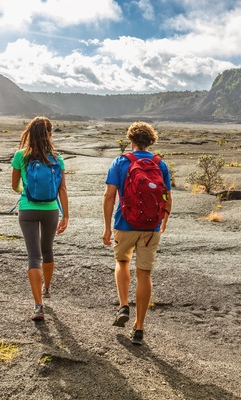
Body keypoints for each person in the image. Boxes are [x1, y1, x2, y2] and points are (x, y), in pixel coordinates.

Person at [102, 121, 172, 345]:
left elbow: (109, 195)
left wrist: (106, 227)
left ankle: (123, 305)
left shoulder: (120, 162)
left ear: (130, 140)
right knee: (144, 274)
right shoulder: (160, 164)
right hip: (151, 227)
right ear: (151, 141)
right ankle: (139, 328)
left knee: (122, 262)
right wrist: (164, 220)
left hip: (124, 224)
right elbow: (167, 196)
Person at [11, 116, 69, 321]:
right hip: (51, 209)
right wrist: (66, 215)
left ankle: (38, 306)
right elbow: (62, 188)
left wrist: (25, 192)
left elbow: (14, 185)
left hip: (27, 209)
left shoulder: (20, 155)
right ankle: (47, 287)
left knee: (33, 256)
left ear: (30, 134)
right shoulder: (57, 157)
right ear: (50, 134)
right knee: (47, 250)